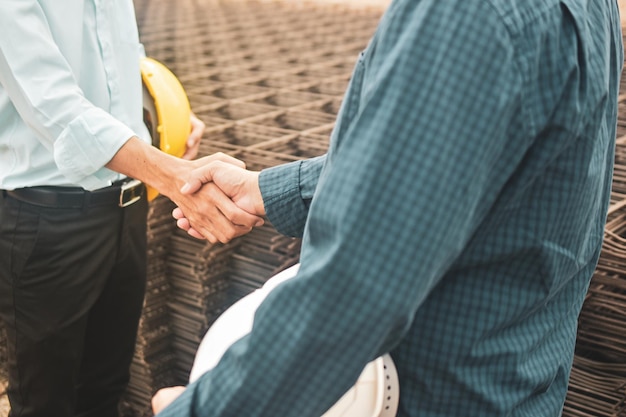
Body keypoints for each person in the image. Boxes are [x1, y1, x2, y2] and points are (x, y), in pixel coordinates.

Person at [152, 0, 623, 416]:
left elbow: (352, 297)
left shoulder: (464, 14)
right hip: (515, 387)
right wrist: (269, 189)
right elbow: (471, 162)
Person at [0, 2, 262, 417]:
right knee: (44, 401)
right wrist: (173, 175)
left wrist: (168, 110)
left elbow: (121, 59)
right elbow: (54, 106)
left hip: (127, 207)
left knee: (106, 386)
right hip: (49, 221)